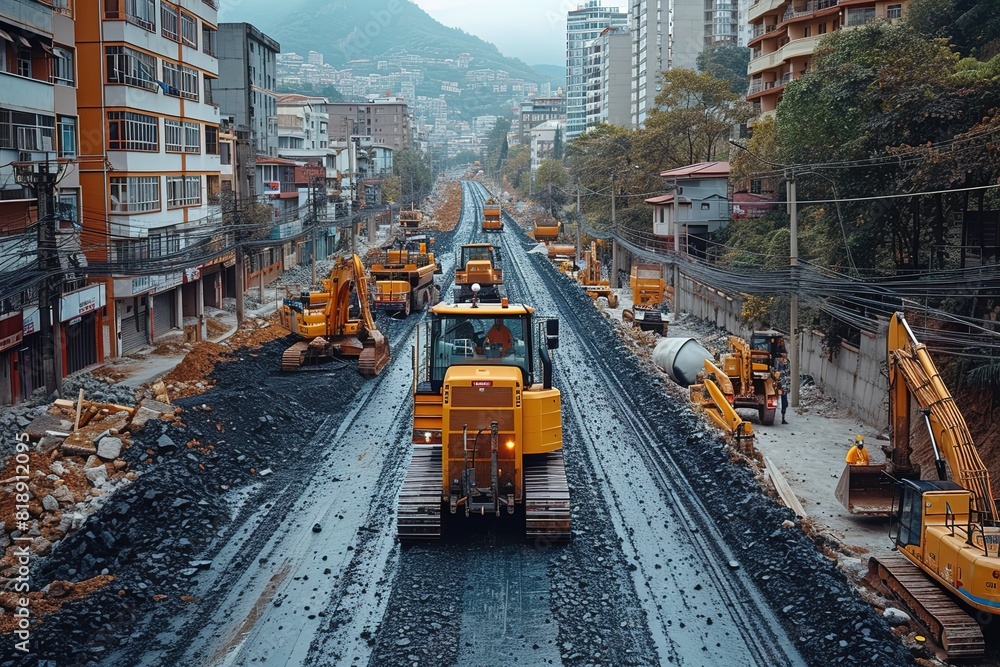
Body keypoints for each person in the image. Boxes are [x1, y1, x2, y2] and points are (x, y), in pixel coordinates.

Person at [776, 352, 790, 424]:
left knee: (785, 402)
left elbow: (787, 375)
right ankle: (781, 416)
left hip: (784, 386)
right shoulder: (777, 364)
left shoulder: (786, 364)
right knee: (775, 400)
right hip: (778, 385)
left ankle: (783, 416)